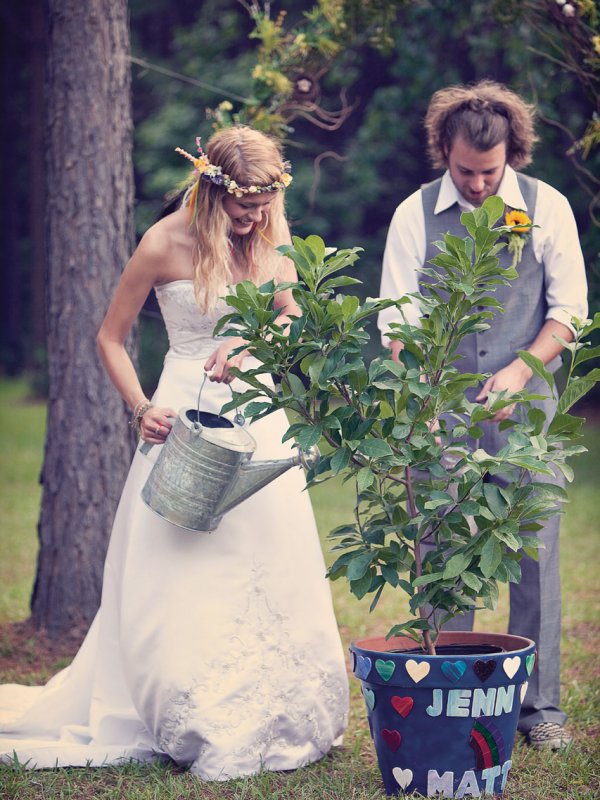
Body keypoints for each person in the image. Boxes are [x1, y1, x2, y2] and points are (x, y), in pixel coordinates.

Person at [0, 126, 349, 778]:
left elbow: (290, 313)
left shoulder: (272, 237)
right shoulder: (163, 241)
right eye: (243, 210)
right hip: (182, 416)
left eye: (263, 209)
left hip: (258, 417)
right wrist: (140, 407)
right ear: (213, 194)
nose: (254, 221)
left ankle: (282, 708)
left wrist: (252, 346)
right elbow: (110, 337)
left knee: (268, 559)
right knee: (184, 566)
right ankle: (191, 708)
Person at [377, 80, 588, 751]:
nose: (475, 184)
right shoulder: (413, 215)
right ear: (444, 150)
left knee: (535, 554)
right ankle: (449, 698)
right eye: (464, 170)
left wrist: (523, 368)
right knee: (445, 549)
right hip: (442, 412)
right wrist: (425, 400)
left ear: (513, 155)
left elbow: (571, 312)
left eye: (488, 172)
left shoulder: (546, 206)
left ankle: (540, 713)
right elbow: (397, 321)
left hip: (528, 412)